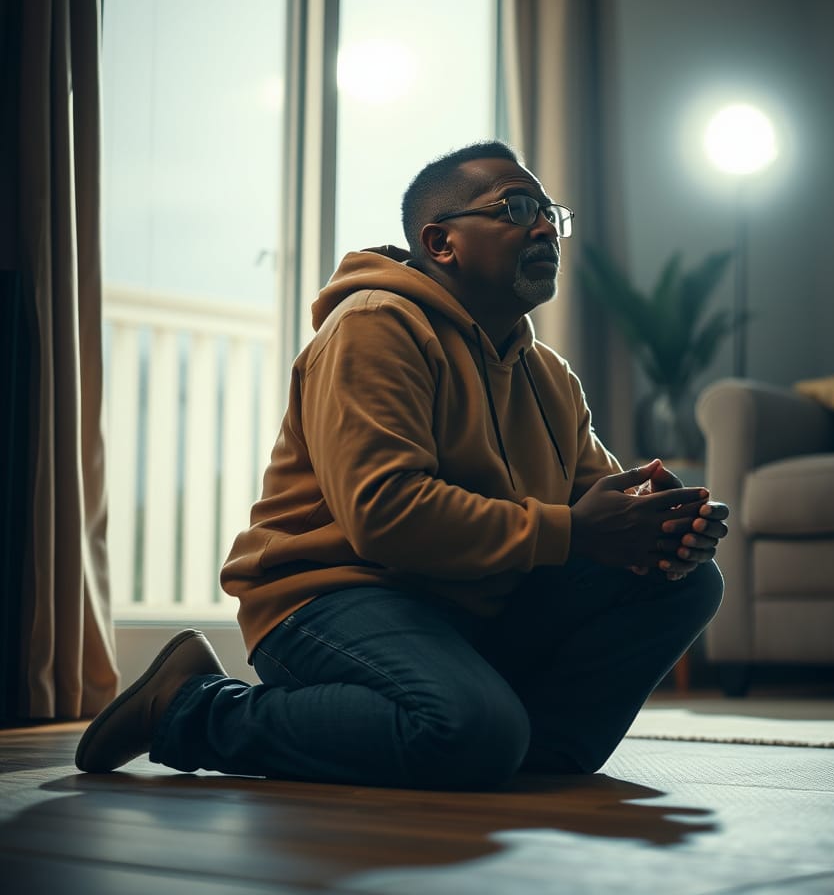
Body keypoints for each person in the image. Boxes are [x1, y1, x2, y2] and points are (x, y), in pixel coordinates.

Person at [76, 141, 727, 790]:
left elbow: (594, 511)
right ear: (441, 243)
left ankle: (517, 744)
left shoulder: (550, 376)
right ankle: (190, 706)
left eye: (550, 214)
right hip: (332, 597)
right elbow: (384, 513)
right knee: (469, 732)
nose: (542, 227)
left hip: (474, 606)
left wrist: (658, 531)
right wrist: (578, 531)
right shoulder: (374, 325)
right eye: (517, 207)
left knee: (688, 584)